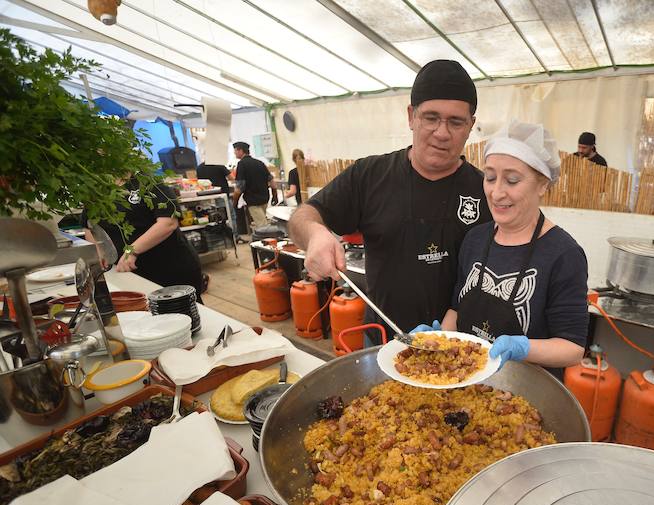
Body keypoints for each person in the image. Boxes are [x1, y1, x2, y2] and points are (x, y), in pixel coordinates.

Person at [289, 59, 491, 342]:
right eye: (431, 117)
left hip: (461, 345)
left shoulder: (486, 190)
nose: (442, 132)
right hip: (383, 337)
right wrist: (315, 235)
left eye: (456, 121)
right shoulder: (370, 175)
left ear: (471, 125)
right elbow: (304, 216)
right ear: (411, 116)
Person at [435, 121, 588, 377]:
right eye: (490, 177)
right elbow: (457, 308)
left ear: (543, 184)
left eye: (512, 180)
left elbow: (572, 349)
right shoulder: (475, 238)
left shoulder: (564, 254)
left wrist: (522, 348)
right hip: (464, 380)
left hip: (523, 393)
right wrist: (438, 341)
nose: (496, 193)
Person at [83, 175, 204, 301]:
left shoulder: (149, 182)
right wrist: (99, 256)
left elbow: (168, 223)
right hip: (127, 272)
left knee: (182, 310)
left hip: (168, 266)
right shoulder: (97, 189)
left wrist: (131, 251)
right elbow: (90, 226)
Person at [232, 141, 277, 230]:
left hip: (253, 200)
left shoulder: (241, 164)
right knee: (262, 222)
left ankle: (268, 241)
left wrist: (235, 202)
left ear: (241, 151)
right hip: (264, 198)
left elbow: (240, 187)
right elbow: (271, 181)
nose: (234, 153)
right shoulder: (260, 163)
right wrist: (274, 196)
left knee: (263, 226)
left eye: (235, 150)